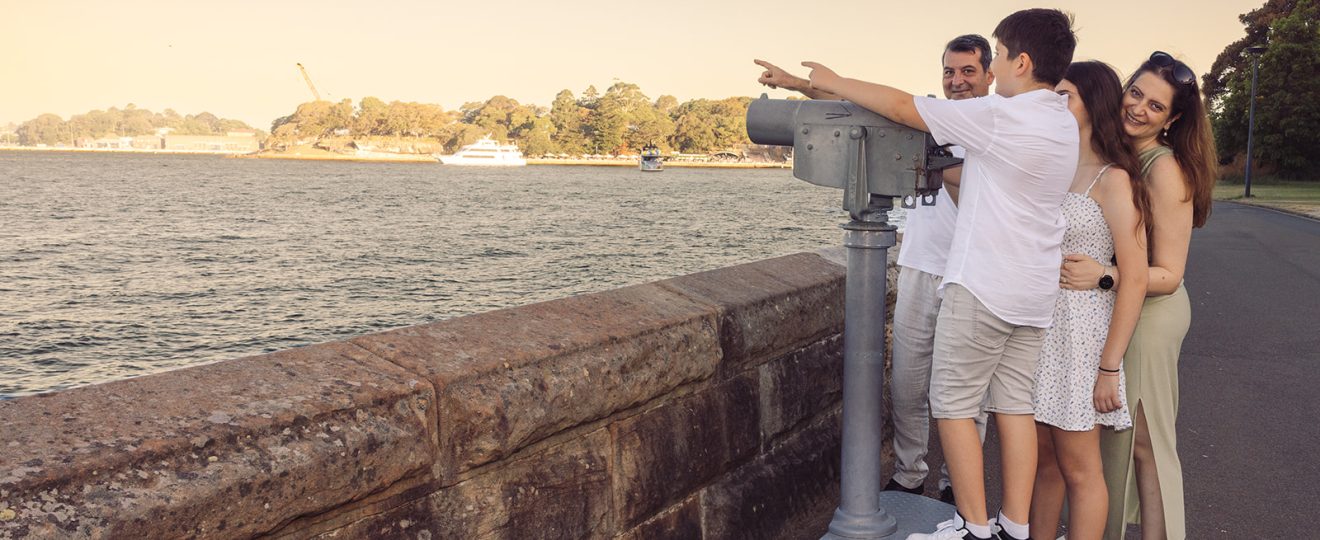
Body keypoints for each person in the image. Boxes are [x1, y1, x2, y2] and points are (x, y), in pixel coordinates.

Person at [796, 8, 1078, 540]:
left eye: (996, 56)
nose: (991, 67)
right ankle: (1014, 528)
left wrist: (833, 82)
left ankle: (972, 527)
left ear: (1020, 62)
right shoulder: (1060, 120)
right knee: (1014, 406)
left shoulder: (1002, 116)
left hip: (983, 286)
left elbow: (904, 108)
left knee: (950, 403)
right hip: (1032, 291)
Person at [756, 34, 996, 506]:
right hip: (919, 267)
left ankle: (954, 483)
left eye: (968, 71)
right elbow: (854, 105)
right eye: (950, 71)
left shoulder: (993, 127)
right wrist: (797, 84)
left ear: (989, 74)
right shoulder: (926, 115)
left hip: (971, 273)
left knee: (968, 392)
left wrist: (925, 159)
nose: (957, 81)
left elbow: (975, 192)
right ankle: (910, 472)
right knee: (907, 382)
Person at [1059, 51, 1217, 540]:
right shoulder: (1121, 157)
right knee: (1120, 439)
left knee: (1147, 443)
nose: (1138, 109)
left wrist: (1105, 275)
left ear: (1171, 121)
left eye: (1155, 106)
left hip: (1154, 314)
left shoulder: (1163, 168)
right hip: (1126, 307)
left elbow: (1169, 273)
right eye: (1135, 93)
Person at [1028, 61, 1151, 540]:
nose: (1056, 104)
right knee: (1042, 462)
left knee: (1080, 468)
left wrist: (1108, 367)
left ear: (1092, 105)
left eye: (1066, 96)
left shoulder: (1115, 178)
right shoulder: (1052, 168)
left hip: (1082, 338)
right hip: (1039, 329)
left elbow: (1136, 278)